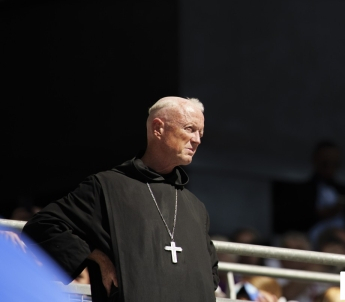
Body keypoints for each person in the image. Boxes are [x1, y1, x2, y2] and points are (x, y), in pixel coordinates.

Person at [22, 96, 219, 302]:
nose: (197, 139)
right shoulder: (107, 186)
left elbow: (210, 272)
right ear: (158, 128)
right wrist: (98, 257)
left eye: (201, 133)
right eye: (189, 128)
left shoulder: (195, 207)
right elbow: (44, 226)